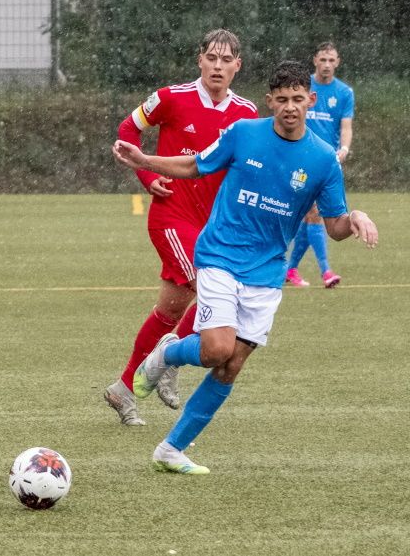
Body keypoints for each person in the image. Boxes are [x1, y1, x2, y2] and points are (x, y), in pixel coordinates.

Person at [112, 60, 378, 474]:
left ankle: (171, 449)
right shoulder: (243, 133)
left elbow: (336, 227)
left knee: (230, 364)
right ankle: (167, 353)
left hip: (268, 272)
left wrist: (357, 216)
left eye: (298, 99)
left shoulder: (324, 160)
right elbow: (194, 165)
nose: (290, 107)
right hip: (219, 254)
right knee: (216, 347)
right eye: (282, 100)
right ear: (270, 102)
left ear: (310, 100)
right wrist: (145, 161)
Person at [103, 29, 259, 427]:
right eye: (211, 58)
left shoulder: (247, 113)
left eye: (226, 60)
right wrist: (145, 176)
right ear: (199, 60)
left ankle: (123, 389)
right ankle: (172, 359)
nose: (218, 66)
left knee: (169, 309)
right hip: (172, 215)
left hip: (214, 225)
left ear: (237, 65)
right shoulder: (171, 97)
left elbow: (249, 168)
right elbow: (127, 131)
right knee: (207, 285)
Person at [285, 42, 355, 288]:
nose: (326, 64)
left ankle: (290, 269)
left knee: (310, 218)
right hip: (301, 160)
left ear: (338, 62)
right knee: (314, 214)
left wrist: (343, 149)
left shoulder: (344, 93)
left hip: (328, 162)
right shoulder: (305, 87)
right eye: (322, 59)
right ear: (315, 60)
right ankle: (326, 271)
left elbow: (345, 127)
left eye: (331, 60)